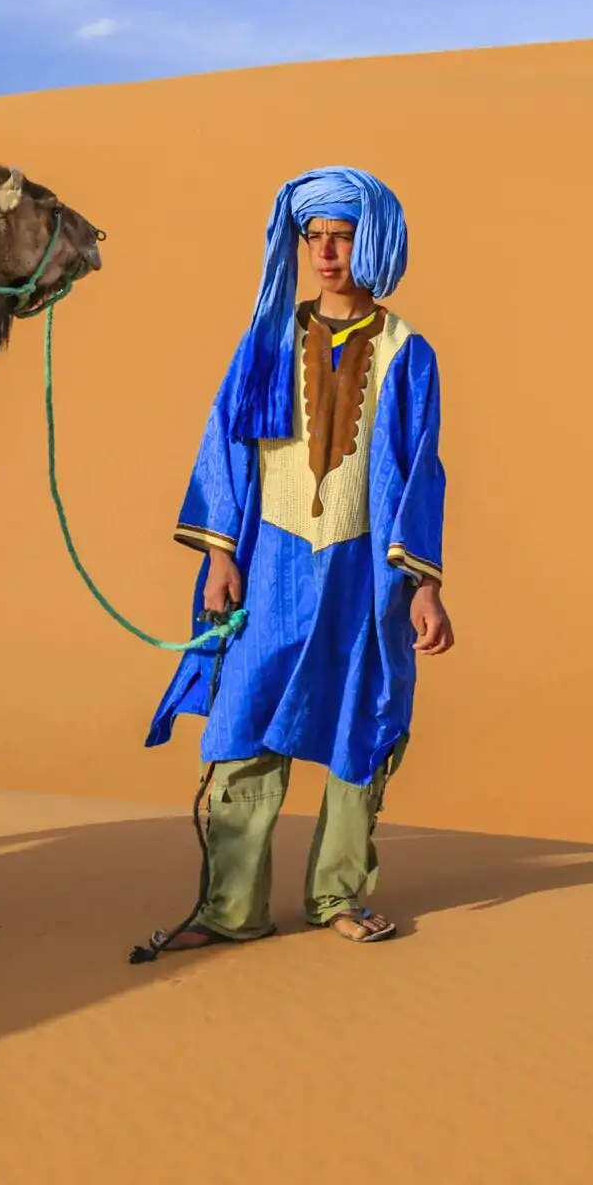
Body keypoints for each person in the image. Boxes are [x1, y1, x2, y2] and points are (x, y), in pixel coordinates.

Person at [133, 166, 452, 959]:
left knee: (361, 717)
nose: (326, 253)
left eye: (341, 237)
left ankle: (337, 895)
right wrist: (218, 558)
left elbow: (419, 471)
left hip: (364, 569)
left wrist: (422, 586)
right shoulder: (269, 340)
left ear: (371, 241)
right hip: (269, 559)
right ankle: (231, 906)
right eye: (314, 237)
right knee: (243, 720)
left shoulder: (408, 351)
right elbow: (228, 450)